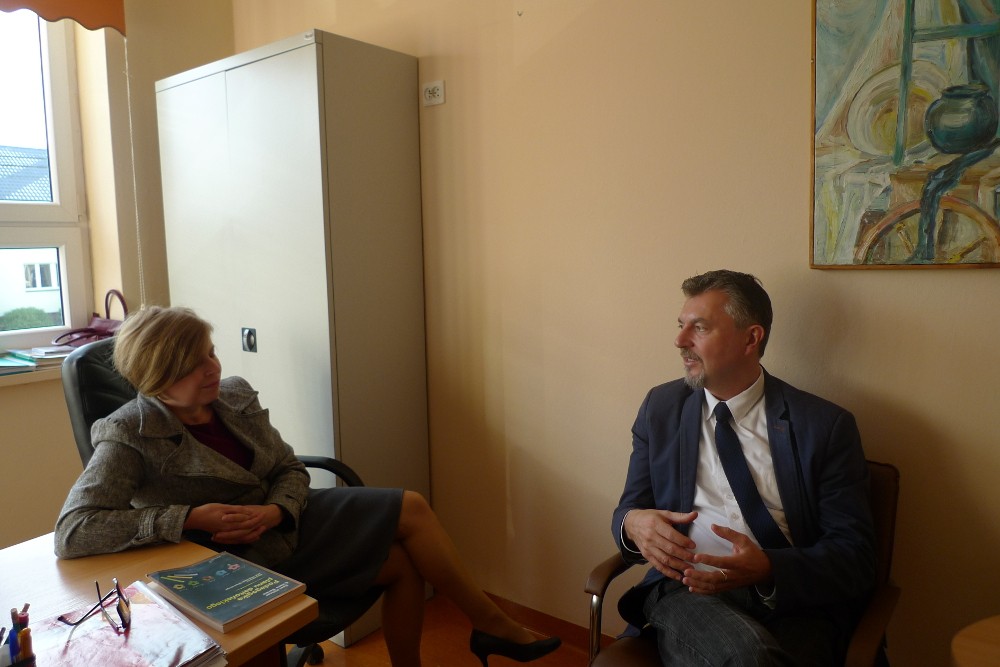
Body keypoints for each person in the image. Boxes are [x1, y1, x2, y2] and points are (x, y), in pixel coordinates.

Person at [55, 305, 560, 667]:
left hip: (288, 519)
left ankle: (484, 627)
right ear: (158, 373)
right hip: (230, 560)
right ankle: (491, 626)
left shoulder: (233, 396)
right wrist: (188, 517)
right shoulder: (128, 432)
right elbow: (74, 531)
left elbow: (289, 468)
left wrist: (278, 510)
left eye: (212, 353)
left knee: (411, 506)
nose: (214, 369)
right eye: (195, 363)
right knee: (402, 564)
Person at [612, 270, 876, 666]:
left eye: (700, 328)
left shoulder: (823, 426)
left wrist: (769, 568)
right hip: (687, 588)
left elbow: (855, 556)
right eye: (681, 326)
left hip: (790, 598)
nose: (680, 341)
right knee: (750, 657)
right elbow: (629, 507)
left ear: (751, 338)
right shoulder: (661, 409)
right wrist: (632, 523)